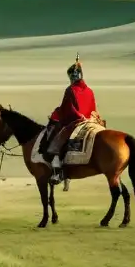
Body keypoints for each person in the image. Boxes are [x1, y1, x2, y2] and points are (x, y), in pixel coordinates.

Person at [42, 55, 97, 185]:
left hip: (77, 120)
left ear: (72, 76)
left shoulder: (70, 90)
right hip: (91, 120)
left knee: (56, 139)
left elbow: (67, 108)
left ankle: (57, 168)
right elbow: (93, 108)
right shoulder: (90, 91)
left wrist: (56, 114)